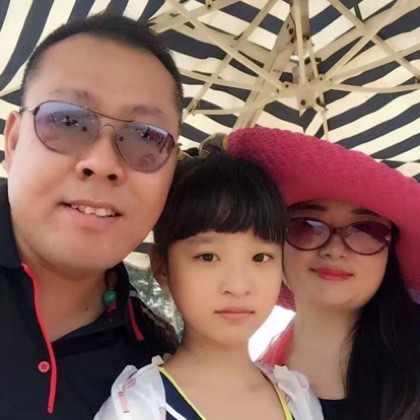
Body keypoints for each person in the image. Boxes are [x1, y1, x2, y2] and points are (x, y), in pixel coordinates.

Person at [0, 14, 184, 420]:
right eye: (67, 120)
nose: (102, 163)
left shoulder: (157, 379)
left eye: (146, 137)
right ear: (13, 141)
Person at [95, 152, 324, 420]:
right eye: (208, 257)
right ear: (162, 268)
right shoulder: (137, 409)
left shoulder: (298, 399)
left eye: (261, 257)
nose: (238, 286)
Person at [221, 127, 420, 420]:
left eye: (366, 229)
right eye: (307, 225)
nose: (334, 250)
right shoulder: (236, 392)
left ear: (391, 253)